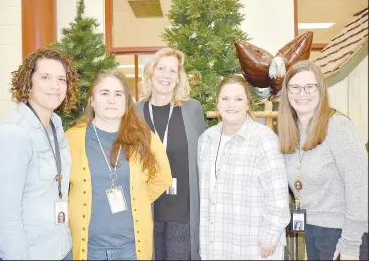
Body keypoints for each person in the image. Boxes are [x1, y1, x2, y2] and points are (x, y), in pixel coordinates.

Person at [64, 69, 172, 260]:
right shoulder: (71, 138)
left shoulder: (144, 138)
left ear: (126, 101)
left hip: (131, 249)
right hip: (88, 250)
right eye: (104, 93)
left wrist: (137, 197)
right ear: (92, 101)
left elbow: (162, 177)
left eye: (118, 94)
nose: (111, 100)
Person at [0, 48, 79, 260]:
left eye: (61, 79)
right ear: (28, 82)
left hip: (59, 247)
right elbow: (6, 215)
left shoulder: (55, 125)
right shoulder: (12, 132)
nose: (55, 86)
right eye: (45, 77)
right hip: (24, 253)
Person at [277, 60, 368, 260]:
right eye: (295, 87)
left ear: (321, 90)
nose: (302, 94)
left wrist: (350, 244)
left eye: (310, 86)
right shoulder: (292, 133)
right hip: (312, 230)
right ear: (287, 92)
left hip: (342, 234)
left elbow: (360, 188)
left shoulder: (338, 127)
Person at [198, 75, 290, 260]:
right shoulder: (206, 139)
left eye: (238, 99)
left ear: (248, 104)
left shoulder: (264, 140)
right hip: (217, 244)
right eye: (225, 99)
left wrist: (269, 237)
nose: (231, 104)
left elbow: (278, 197)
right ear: (217, 103)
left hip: (254, 246)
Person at [136, 48, 207, 260]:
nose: (166, 75)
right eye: (161, 68)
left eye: (172, 71)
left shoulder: (191, 109)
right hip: (147, 208)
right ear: (151, 72)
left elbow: (205, 152)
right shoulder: (136, 112)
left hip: (182, 210)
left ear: (178, 78)